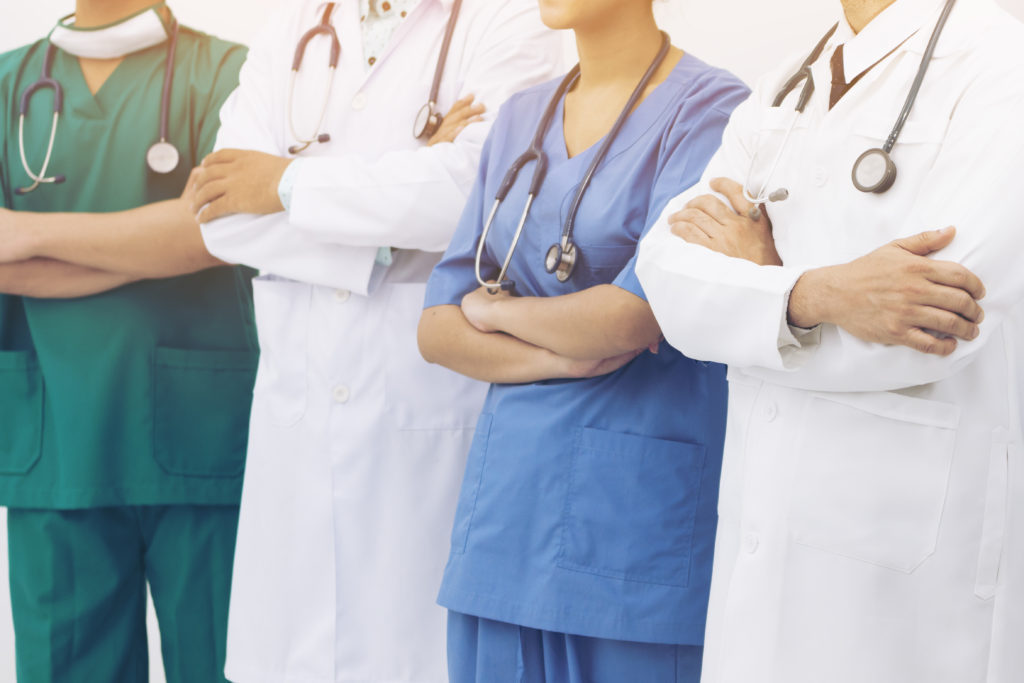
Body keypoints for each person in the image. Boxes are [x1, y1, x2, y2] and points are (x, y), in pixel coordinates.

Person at [635, 0, 1024, 680]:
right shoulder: (789, 81)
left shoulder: (1000, 64)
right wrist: (815, 295)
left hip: (903, 585)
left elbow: (939, 318)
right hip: (762, 541)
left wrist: (758, 292)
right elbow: (668, 277)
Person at [187, 1, 563, 681]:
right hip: (296, 436)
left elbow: (477, 195)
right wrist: (398, 206)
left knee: (417, 652)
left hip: (422, 432)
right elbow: (219, 214)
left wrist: (287, 182)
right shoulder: (295, 23)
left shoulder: (509, 21)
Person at [415, 0, 749, 679]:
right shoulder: (519, 117)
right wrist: (566, 346)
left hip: (629, 526)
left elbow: (634, 316)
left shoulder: (713, 111)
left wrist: (496, 311)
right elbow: (436, 327)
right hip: (505, 519)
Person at [0, 1, 255, 681]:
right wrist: (154, 238)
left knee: (227, 666)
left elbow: (217, 233)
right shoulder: (8, 84)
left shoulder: (229, 74)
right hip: (58, 451)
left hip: (200, 440)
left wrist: (28, 232)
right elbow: (183, 235)